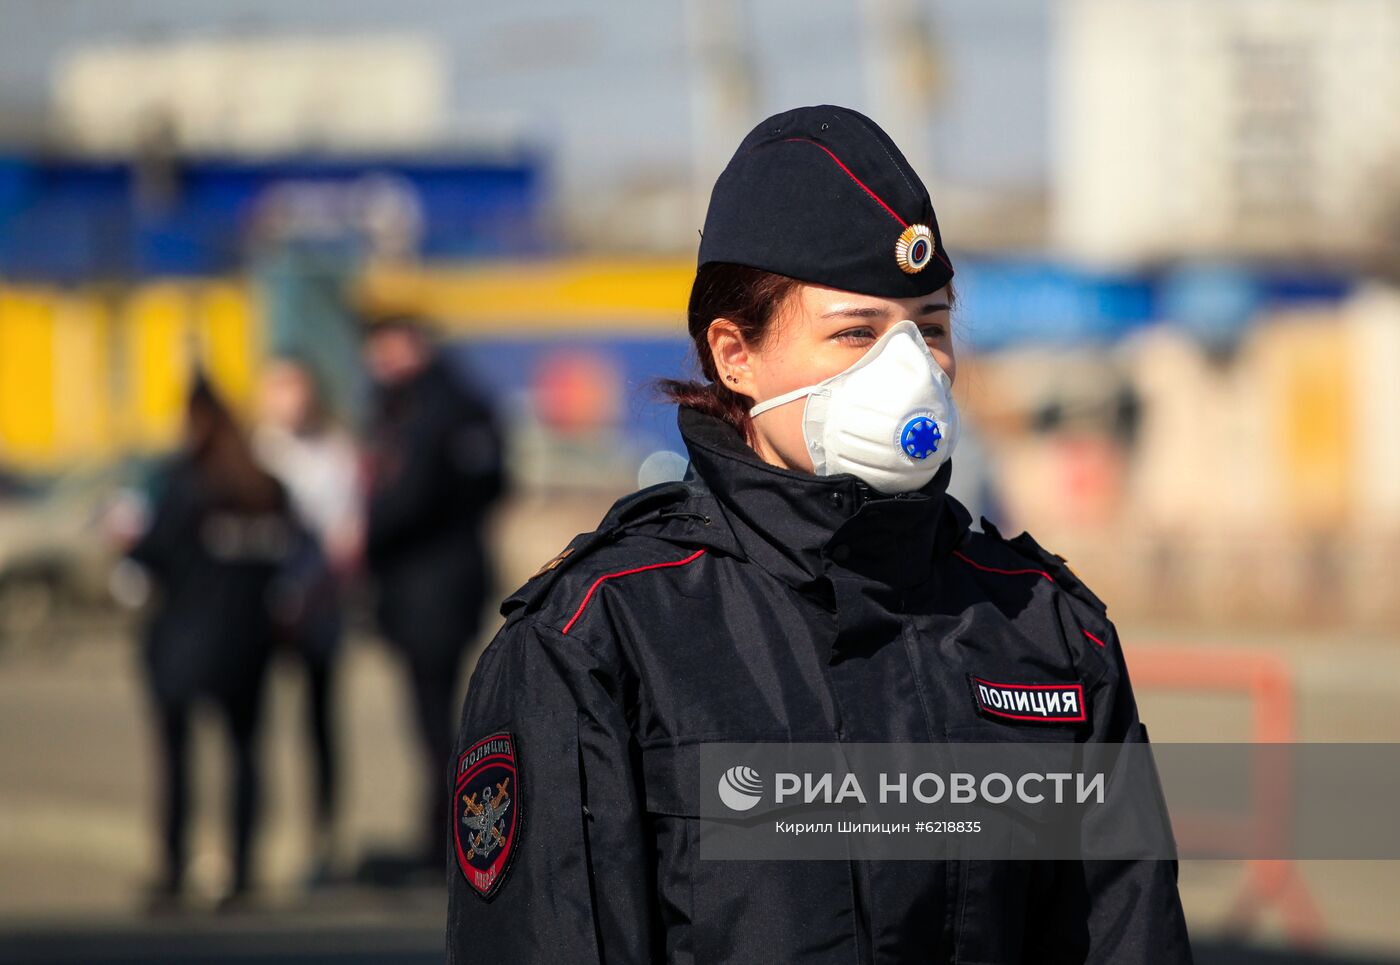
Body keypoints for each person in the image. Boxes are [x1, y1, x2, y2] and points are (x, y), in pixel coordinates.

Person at [447, 105, 1192, 963]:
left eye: (931, 327)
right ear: (735, 355)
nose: (912, 369)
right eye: (856, 333)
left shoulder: (1046, 630)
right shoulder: (600, 641)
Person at [127, 375, 293, 910]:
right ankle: (243, 871)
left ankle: (174, 869)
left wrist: (126, 541)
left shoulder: (186, 483)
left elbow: (152, 554)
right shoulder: (265, 486)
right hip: (249, 641)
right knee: (245, 755)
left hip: (182, 639)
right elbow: (289, 560)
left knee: (177, 760)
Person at [362, 316, 506, 870]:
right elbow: (495, 484)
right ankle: (449, 832)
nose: (376, 360)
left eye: (382, 346)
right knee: (442, 716)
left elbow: (409, 497)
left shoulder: (426, 411)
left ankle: (448, 839)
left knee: (434, 721)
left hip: (425, 587)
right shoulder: (467, 404)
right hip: (453, 580)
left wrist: (362, 538)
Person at [253, 355, 362, 885]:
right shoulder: (256, 452)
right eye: (277, 387)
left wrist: (312, 596)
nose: (287, 399)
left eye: (295, 387)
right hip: (260, 615)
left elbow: (347, 537)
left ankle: (322, 841)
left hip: (318, 613)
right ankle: (249, 842)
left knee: (320, 729)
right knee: (250, 731)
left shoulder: (335, 454)